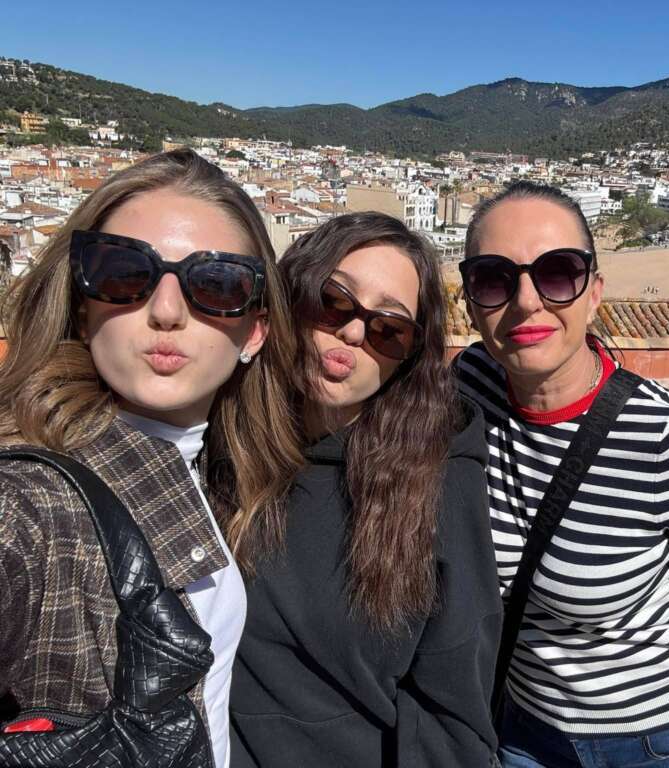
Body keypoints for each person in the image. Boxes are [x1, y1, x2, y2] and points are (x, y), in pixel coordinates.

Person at [455, 181, 669, 768]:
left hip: (663, 745)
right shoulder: (467, 388)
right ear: (471, 301)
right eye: (494, 278)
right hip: (523, 731)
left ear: (594, 293)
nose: (527, 301)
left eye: (557, 273)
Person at [0, 149, 303, 768]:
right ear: (80, 305)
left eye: (216, 285)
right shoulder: (33, 500)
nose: (166, 311)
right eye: (123, 273)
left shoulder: (212, 467)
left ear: (255, 332)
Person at [230, 212, 502, 767]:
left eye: (388, 329)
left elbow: (454, 716)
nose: (353, 333)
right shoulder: (220, 440)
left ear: (407, 359)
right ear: (291, 295)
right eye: (333, 302)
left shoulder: (437, 480)